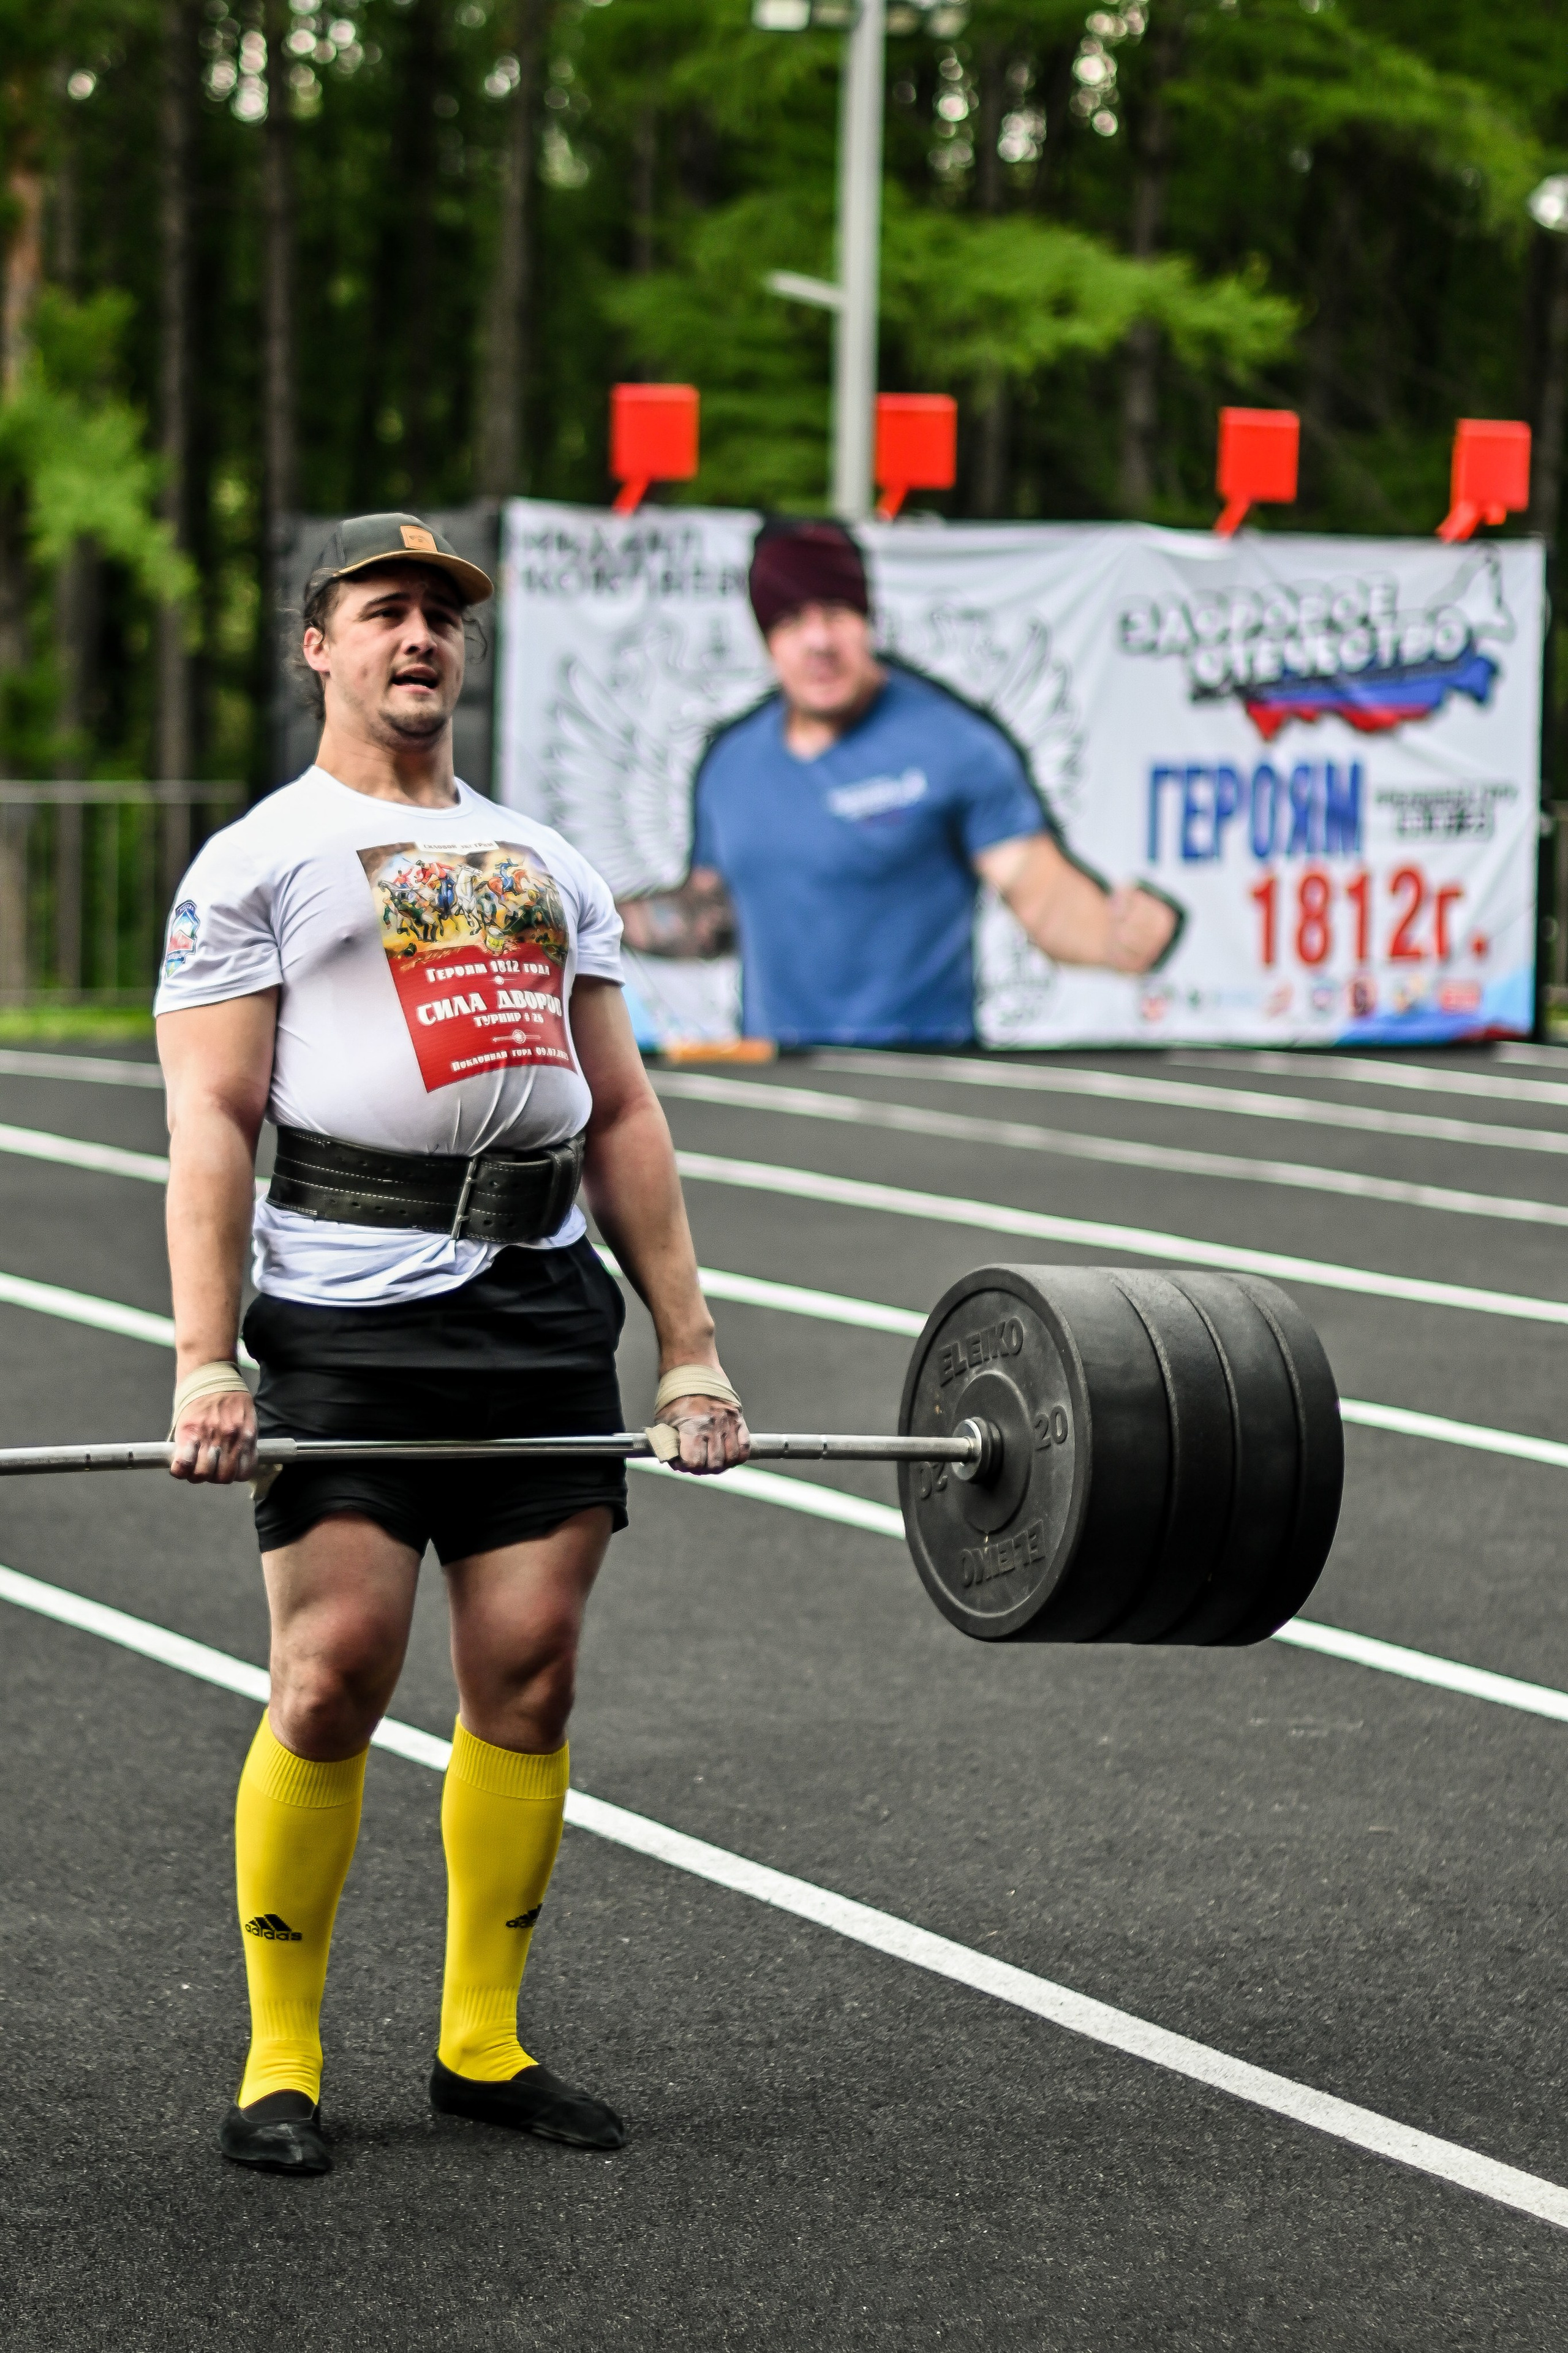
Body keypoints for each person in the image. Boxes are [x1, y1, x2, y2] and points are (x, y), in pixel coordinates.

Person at [155, 510, 747, 2177]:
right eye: (384, 610)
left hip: (540, 1305)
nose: (420, 635)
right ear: (319, 649)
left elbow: (621, 1104)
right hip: (344, 1313)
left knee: (532, 1672)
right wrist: (212, 1357)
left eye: (441, 614)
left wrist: (687, 1347)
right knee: (333, 1674)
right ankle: (282, 2059)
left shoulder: (549, 861)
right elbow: (210, 1119)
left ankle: (480, 2044)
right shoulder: (256, 859)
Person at [618, 516, 1182, 1045]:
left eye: (836, 611)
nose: (818, 640)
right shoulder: (730, 764)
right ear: (768, 640)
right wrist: (583, 919)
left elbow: (1040, 892)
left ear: (869, 618)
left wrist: (1116, 936)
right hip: (779, 1093)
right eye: (791, 620)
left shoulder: (955, 743)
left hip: (920, 1086)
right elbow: (711, 917)